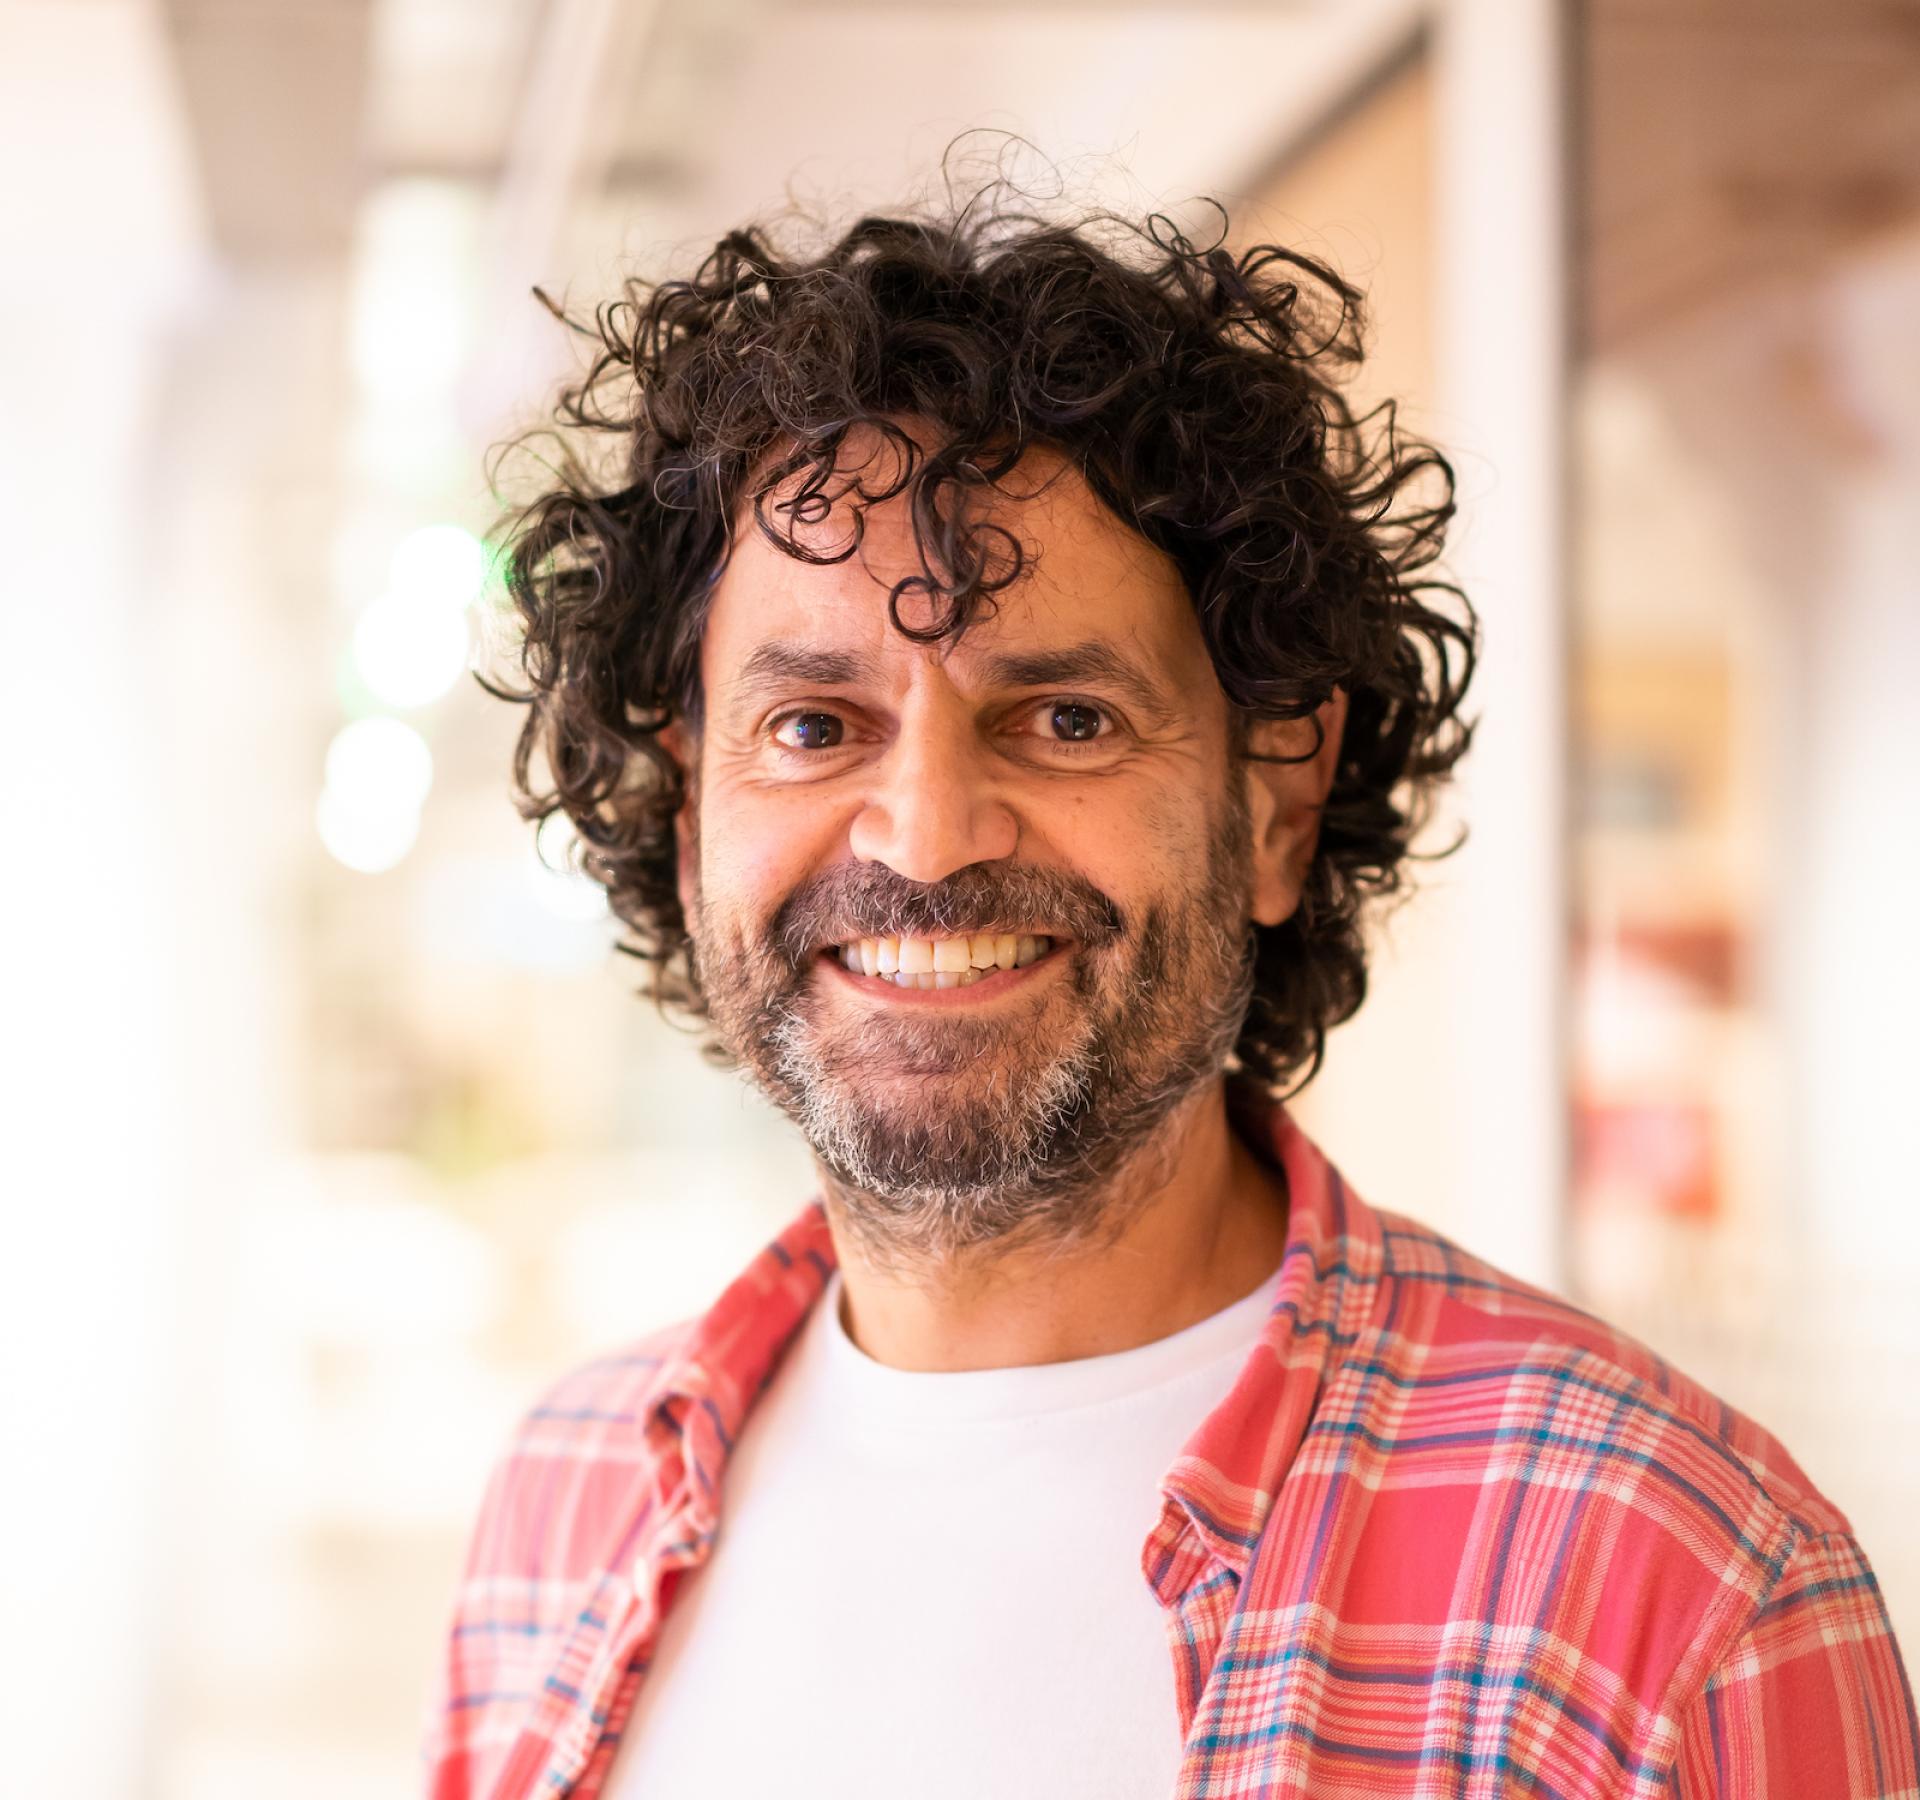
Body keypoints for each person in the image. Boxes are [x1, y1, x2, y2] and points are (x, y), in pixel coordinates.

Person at [422, 201, 1916, 1799]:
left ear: (1276, 800)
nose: (926, 837)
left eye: (1063, 718)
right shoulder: (564, 1503)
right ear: (685, 808)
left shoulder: (1675, 1592)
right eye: (810, 726)